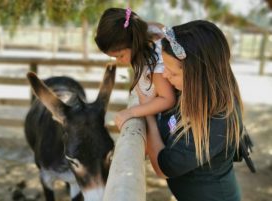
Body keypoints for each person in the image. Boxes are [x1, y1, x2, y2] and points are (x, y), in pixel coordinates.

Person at [136, 20, 243, 201]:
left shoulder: (217, 118)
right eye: (164, 68)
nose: (164, 75)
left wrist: (148, 116)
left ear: (197, 73)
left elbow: (164, 168)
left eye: (173, 72)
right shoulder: (183, 92)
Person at [95, 8, 176, 129]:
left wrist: (131, 112)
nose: (118, 61)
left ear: (133, 43)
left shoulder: (153, 61)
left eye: (120, 56)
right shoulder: (148, 29)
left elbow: (167, 99)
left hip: (170, 120)